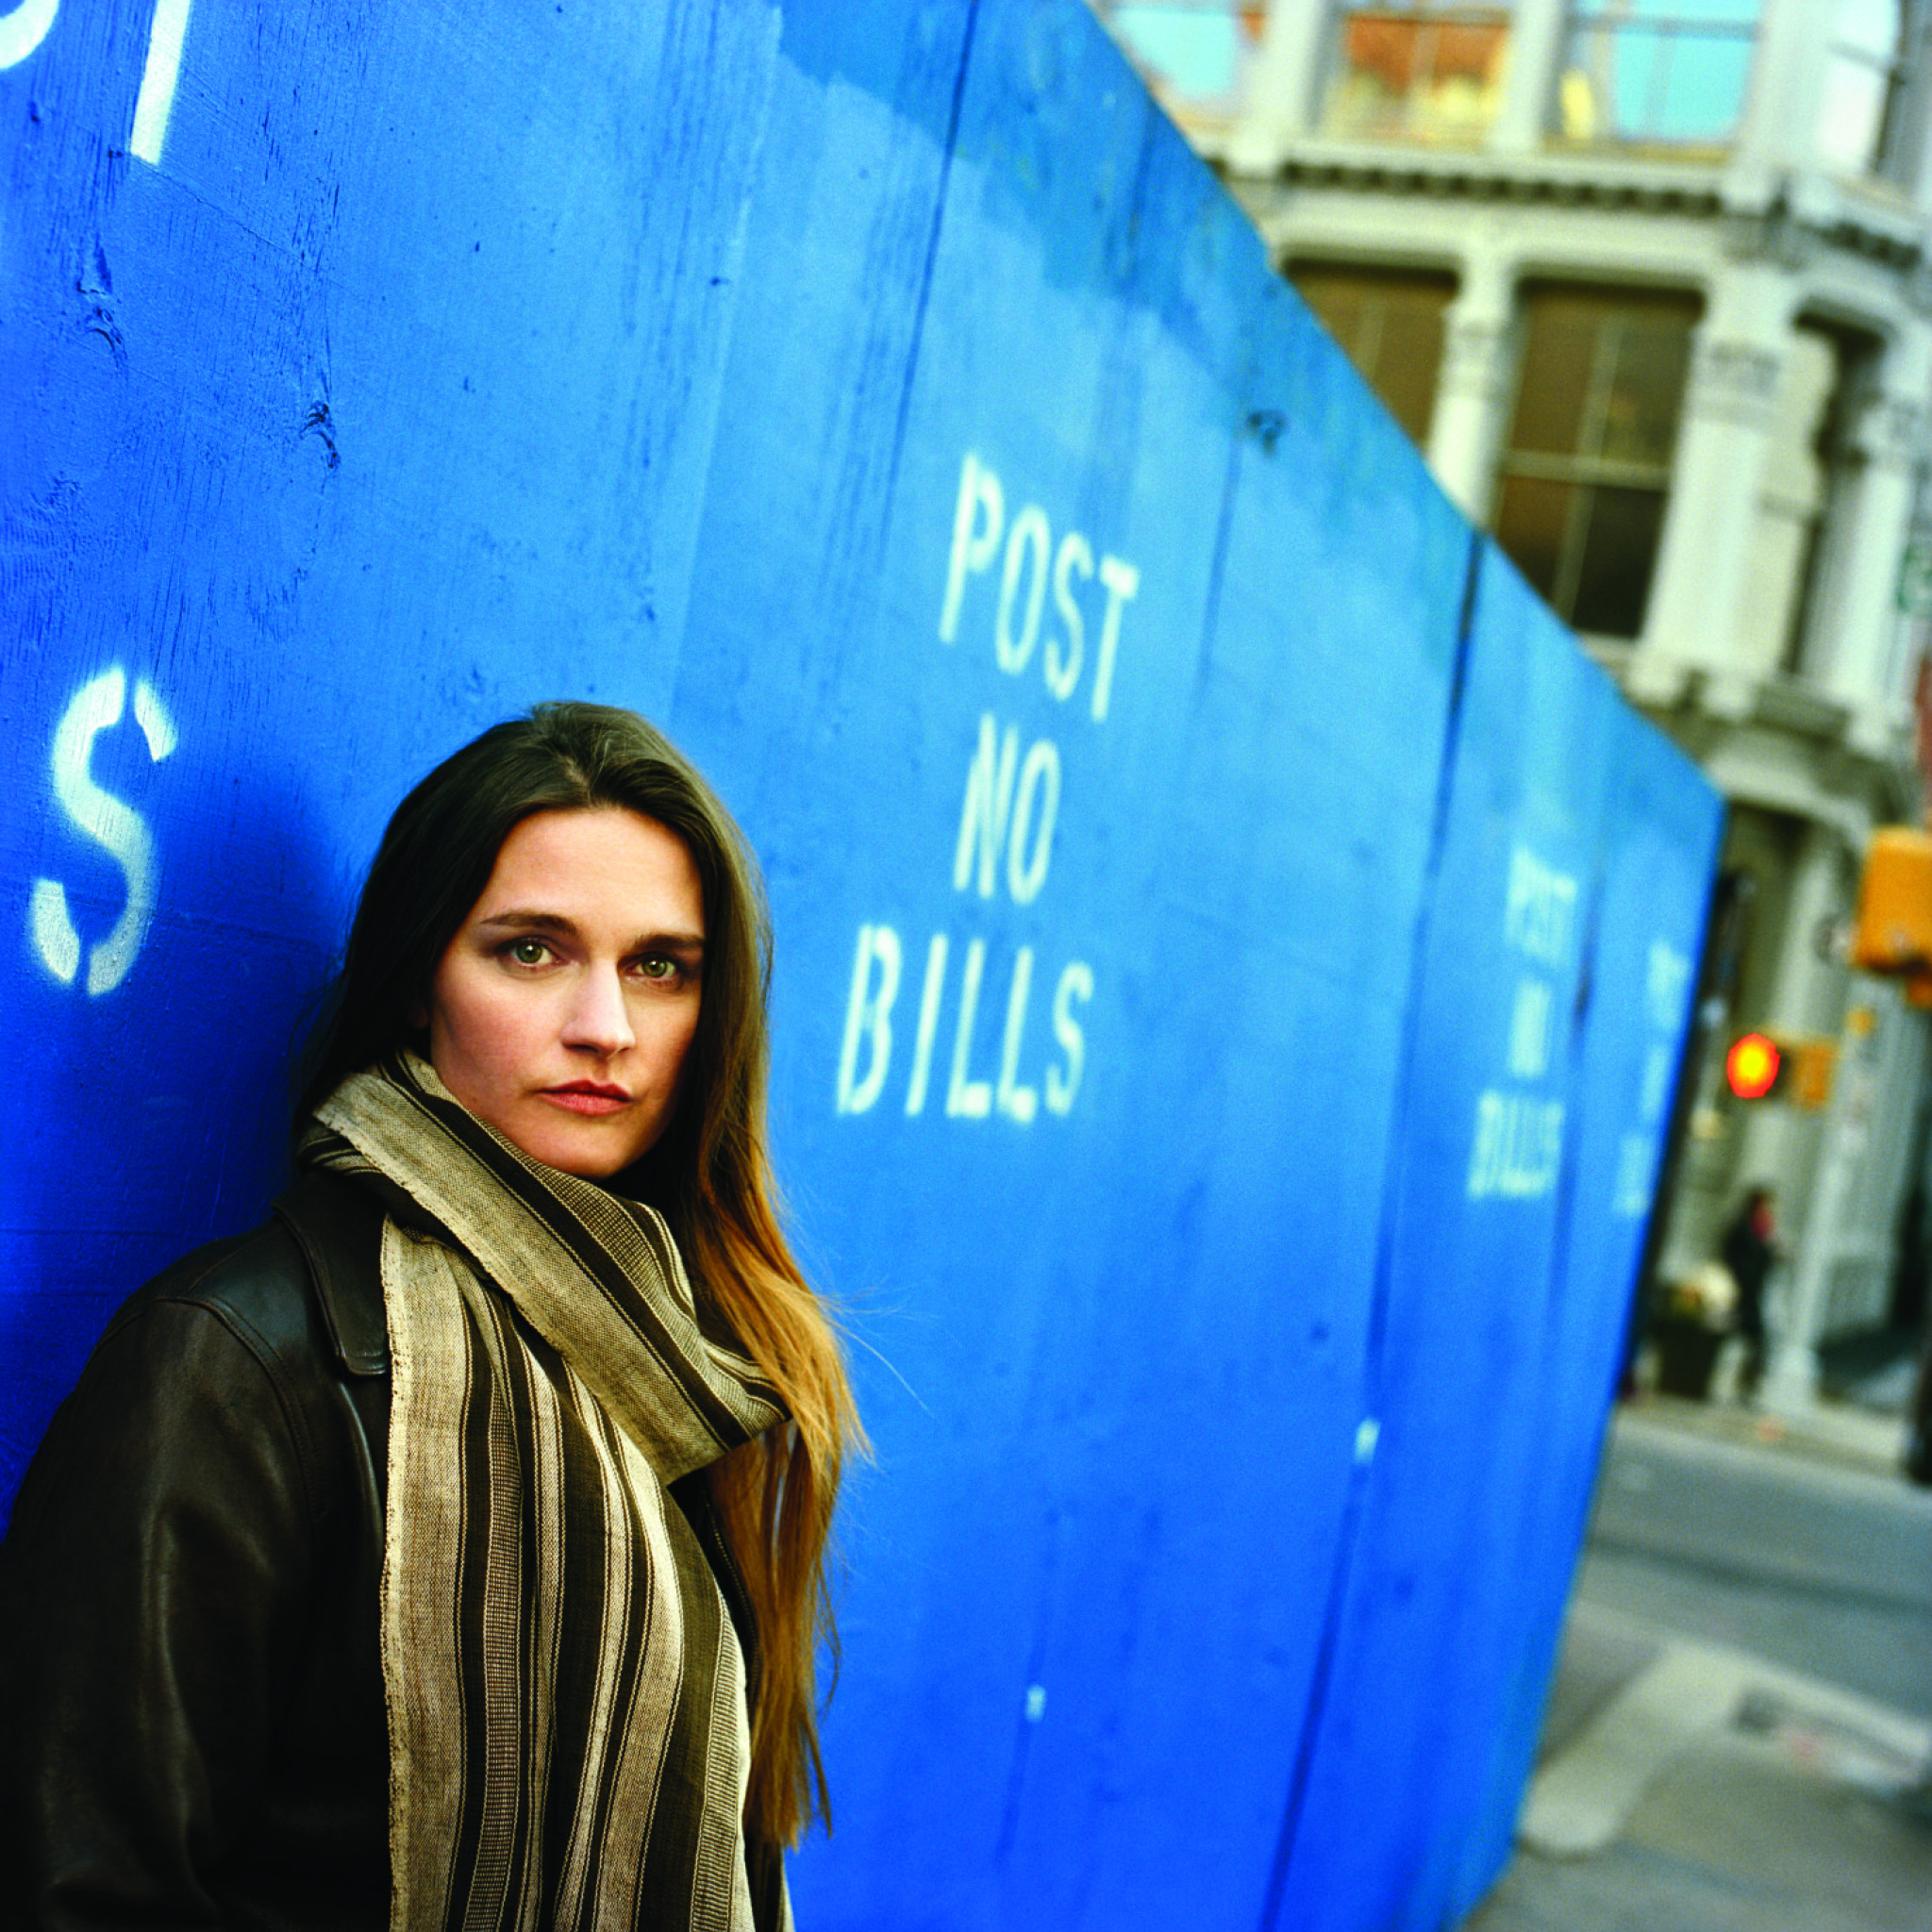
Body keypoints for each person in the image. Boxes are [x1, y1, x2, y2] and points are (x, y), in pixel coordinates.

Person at [0, 702, 861, 1930]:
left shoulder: (683, 1377)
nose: (604, 1027)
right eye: (530, 950)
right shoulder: (239, 1362)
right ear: (417, 985)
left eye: (659, 966)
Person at [1720, 1183, 1777, 1398]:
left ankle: (1747, 1384)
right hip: (1740, 1291)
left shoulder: (1763, 1229)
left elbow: (1764, 1259)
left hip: (1752, 1293)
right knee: (1747, 1336)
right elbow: (1730, 1254)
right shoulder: (1742, 1227)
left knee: (1757, 1339)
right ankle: (1742, 1383)